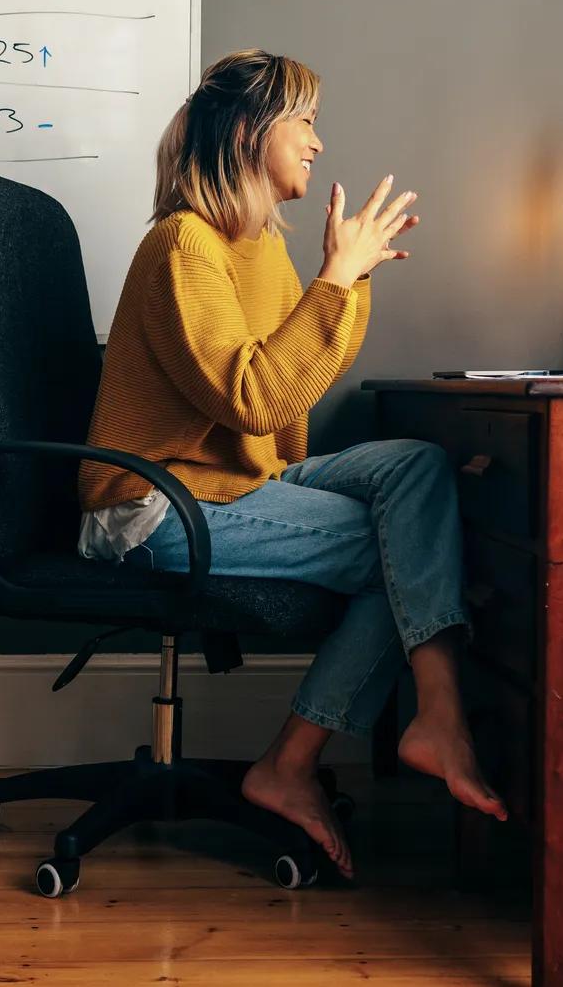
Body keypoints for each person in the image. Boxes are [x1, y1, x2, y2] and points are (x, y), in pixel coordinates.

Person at [76, 49, 504, 879]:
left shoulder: (256, 246)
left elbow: (296, 387)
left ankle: (410, 721)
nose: (316, 141)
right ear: (248, 131)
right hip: (150, 505)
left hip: (234, 486)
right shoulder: (183, 245)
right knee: (401, 553)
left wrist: (347, 279)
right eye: (303, 121)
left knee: (413, 469)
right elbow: (254, 398)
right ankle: (343, 747)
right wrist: (336, 280)